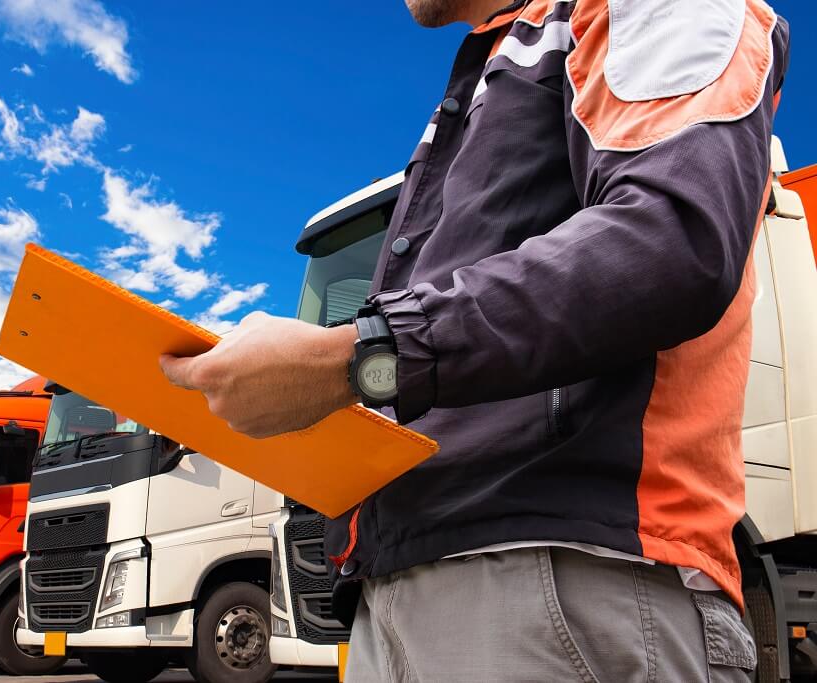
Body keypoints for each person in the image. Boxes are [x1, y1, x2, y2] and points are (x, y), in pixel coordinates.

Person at [161, 0, 791, 679]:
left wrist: (358, 358)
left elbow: (670, 243)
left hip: (560, 577)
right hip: (418, 584)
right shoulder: (496, 68)